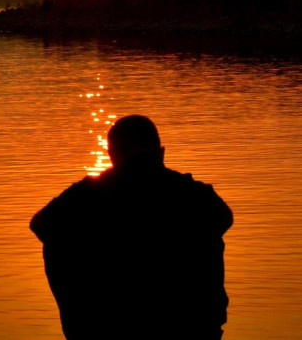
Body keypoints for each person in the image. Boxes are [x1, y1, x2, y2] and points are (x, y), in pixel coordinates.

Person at [30, 114, 233, 340]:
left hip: (110, 323)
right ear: (161, 153)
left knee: (57, 239)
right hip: (190, 325)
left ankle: (85, 325)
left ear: (112, 155)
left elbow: (39, 225)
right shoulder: (195, 194)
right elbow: (224, 218)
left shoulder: (88, 193)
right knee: (207, 232)